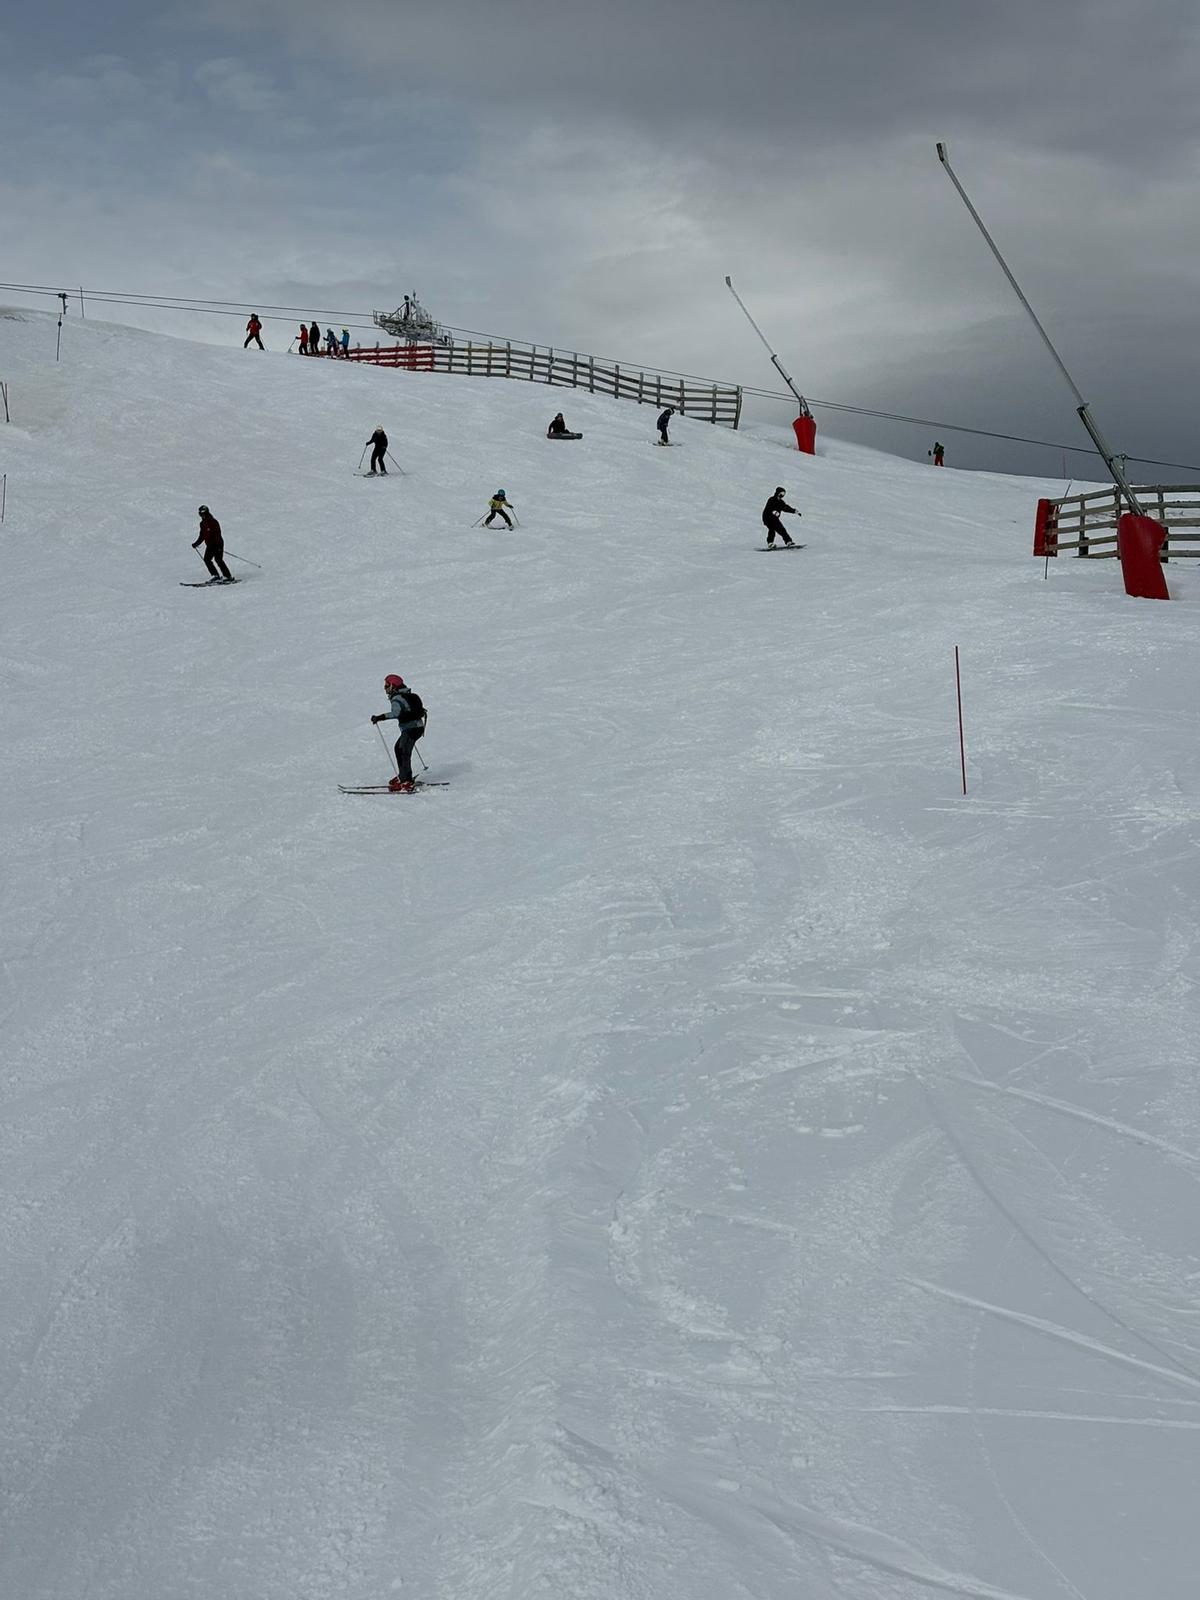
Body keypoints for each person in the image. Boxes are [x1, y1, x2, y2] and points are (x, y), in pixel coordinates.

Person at [370, 673, 426, 791]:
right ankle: (403, 776)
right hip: (416, 727)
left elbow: (396, 713)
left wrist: (379, 717)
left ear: (393, 686)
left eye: (386, 685)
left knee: (403, 751)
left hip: (412, 728)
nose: (385, 688)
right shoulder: (405, 695)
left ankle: (406, 780)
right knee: (399, 748)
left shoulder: (397, 698)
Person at [192, 505, 235, 582]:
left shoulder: (213, 522)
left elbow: (217, 534)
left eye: (203, 512)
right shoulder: (202, 523)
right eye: (200, 512)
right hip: (210, 545)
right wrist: (196, 543)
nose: (202, 514)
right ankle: (215, 575)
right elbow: (202, 535)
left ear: (207, 512)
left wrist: (217, 546)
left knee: (218, 559)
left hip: (217, 544)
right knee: (207, 559)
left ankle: (228, 576)